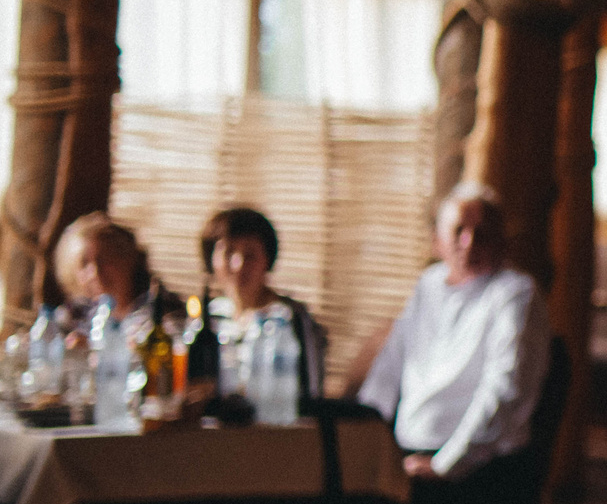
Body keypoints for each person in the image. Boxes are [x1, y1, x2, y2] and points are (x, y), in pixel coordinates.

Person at [358, 183, 550, 483]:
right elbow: (388, 369)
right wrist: (362, 440)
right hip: (412, 451)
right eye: (458, 231)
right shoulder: (429, 284)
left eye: (483, 234)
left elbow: (504, 390)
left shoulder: (514, 292)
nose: (470, 242)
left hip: (477, 463)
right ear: (437, 241)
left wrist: (445, 465)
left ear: (502, 241)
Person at [199, 206, 329, 402]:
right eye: (228, 252)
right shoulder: (209, 317)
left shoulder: (288, 318)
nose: (239, 265)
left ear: (267, 260)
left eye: (250, 255)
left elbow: (309, 395)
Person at [54, 213, 185, 338]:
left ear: (128, 259)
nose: (95, 273)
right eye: (84, 264)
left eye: (105, 259)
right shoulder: (76, 316)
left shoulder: (162, 311)